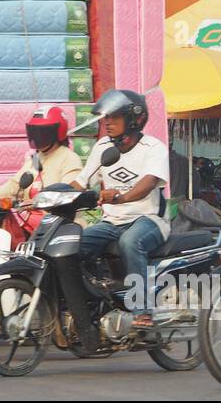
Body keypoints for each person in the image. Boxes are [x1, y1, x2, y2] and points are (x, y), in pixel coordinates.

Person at [71, 89, 171, 329]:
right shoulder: (102, 147)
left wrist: (121, 197)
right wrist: (56, 195)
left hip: (148, 220)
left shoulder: (152, 148)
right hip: (111, 222)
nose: (107, 123)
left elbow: (147, 185)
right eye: (105, 118)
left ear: (134, 119)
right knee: (73, 245)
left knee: (130, 242)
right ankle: (93, 304)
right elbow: (82, 180)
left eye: (114, 117)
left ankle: (142, 311)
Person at [0, 107, 83, 240]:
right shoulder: (34, 158)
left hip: (60, 229)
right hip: (31, 228)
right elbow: (13, 187)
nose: (37, 137)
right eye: (35, 132)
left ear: (57, 132)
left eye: (43, 132)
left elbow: (67, 193)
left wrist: (38, 201)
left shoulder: (69, 158)